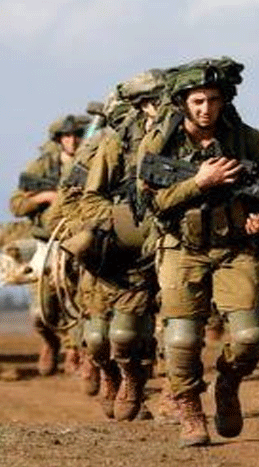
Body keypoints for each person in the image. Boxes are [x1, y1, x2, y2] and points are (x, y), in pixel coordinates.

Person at [137, 57, 259, 447]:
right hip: (181, 247)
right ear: (183, 102)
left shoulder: (246, 139)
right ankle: (189, 409)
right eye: (197, 101)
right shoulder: (160, 142)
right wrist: (200, 182)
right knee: (181, 340)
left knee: (252, 336)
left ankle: (228, 382)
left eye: (213, 100)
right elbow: (150, 203)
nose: (206, 109)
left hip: (234, 248)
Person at [76, 69, 167, 420]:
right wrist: (121, 223)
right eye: (153, 101)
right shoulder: (113, 145)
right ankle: (108, 373)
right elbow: (88, 200)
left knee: (132, 332)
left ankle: (134, 381)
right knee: (98, 338)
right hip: (110, 254)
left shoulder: (182, 143)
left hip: (155, 254)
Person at [9, 115, 86, 377]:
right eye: (67, 136)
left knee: (78, 301)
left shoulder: (92, 160)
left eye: (78, 135)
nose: (73, 141)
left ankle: (74, 350)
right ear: (59, 139)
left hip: (79, 240)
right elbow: (16, 205)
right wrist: (43, 198)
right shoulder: (42, 166)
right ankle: (50, 342)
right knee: (41, 310)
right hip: (46, 243)